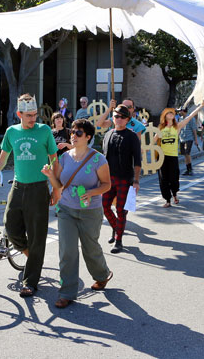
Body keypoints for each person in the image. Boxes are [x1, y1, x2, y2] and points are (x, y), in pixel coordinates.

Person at [0, 94, 58, 298]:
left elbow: (54, 159)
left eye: (35, 115)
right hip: (18, 187)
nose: (33, 119)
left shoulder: (45, 130)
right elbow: (2, 161)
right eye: (29, 115)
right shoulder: (11, 132)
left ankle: (29, 282)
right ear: (19, 114)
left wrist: (56, 189)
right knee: (10, 227)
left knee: (37, 237)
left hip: (39, 188)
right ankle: (33, 258)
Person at [41, 119, 113, 308]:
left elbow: (107, 185)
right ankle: (67, 292)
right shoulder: (64, 158)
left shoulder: (98, 159)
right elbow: (59, 185)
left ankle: (102, 274)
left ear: (88, 137)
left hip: (90, 211)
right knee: (67, 250)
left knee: (90, 248)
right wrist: (50, 177)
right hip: (66, 210)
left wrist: (91, 192)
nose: (73, 136)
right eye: (72, 132)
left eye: (78, 133)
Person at [102, 104, 141, 254]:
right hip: (108, 179)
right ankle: (116, 228)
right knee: (105, 206)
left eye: (122, 117)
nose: (118, 119)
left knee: (121, 210)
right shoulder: (108, 134)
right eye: (116, 116)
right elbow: (103, 158)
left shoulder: (131, 136)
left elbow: (137, 160)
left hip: (125, 178)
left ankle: (118, 240)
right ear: (113, 118)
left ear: (127, 120)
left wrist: (136, 180)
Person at [155, 103, 204, 207]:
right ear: (164, 115)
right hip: (162, 157)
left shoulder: (177, 127)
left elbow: (190, 116)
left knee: (174, 178)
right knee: (163, 179)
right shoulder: (160, 128)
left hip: (173, 156)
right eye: (168, 113)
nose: (170, 114)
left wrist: (201, 106)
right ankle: (167, 200)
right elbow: (153, 141)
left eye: (172, 113)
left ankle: (174, 194)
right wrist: (143, 150)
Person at [178, 108, 201, 176]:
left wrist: (196, 140)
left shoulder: (191, 119)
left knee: (187, 153)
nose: (179, 112)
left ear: (183, 111)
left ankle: (190, 169)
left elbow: (194, 130)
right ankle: (188, 169)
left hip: (189, 138)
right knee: (184, 154)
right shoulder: (180, 118)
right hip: (182, 138)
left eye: (180, 110)